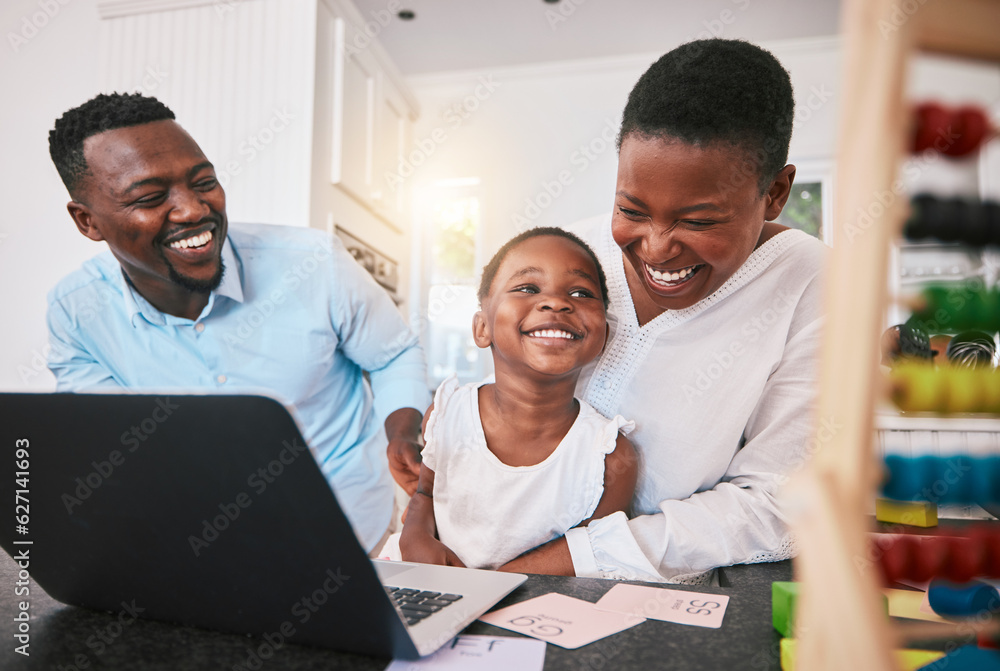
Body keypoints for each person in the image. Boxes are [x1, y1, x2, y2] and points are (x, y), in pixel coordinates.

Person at [392, 38, 826, 583]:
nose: (657, 247)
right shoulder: (567, 254)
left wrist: (524, 575)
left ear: (776, 193)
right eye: (631, 209)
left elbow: (776, 504)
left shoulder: (815, 283)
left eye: (699, 221)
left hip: (650, 592)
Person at [45, 92, 428, 552]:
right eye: (150, 197)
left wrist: (401, 431)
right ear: (88, 222)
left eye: (203, 181)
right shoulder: (76, 311)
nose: (193, 210)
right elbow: (109, 442)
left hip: (346, 531)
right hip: (197, 543)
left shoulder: (314, 263)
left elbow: (394, 355)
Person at [393, 228, 638, 570]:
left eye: (581, 292)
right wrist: (414, 537)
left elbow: (591, 558)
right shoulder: (448, 413)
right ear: (482, 328)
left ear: (603, 336)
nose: (556, 302)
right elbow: (426, 494)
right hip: (433, 586)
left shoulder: (609, 456)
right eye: (527, 288)